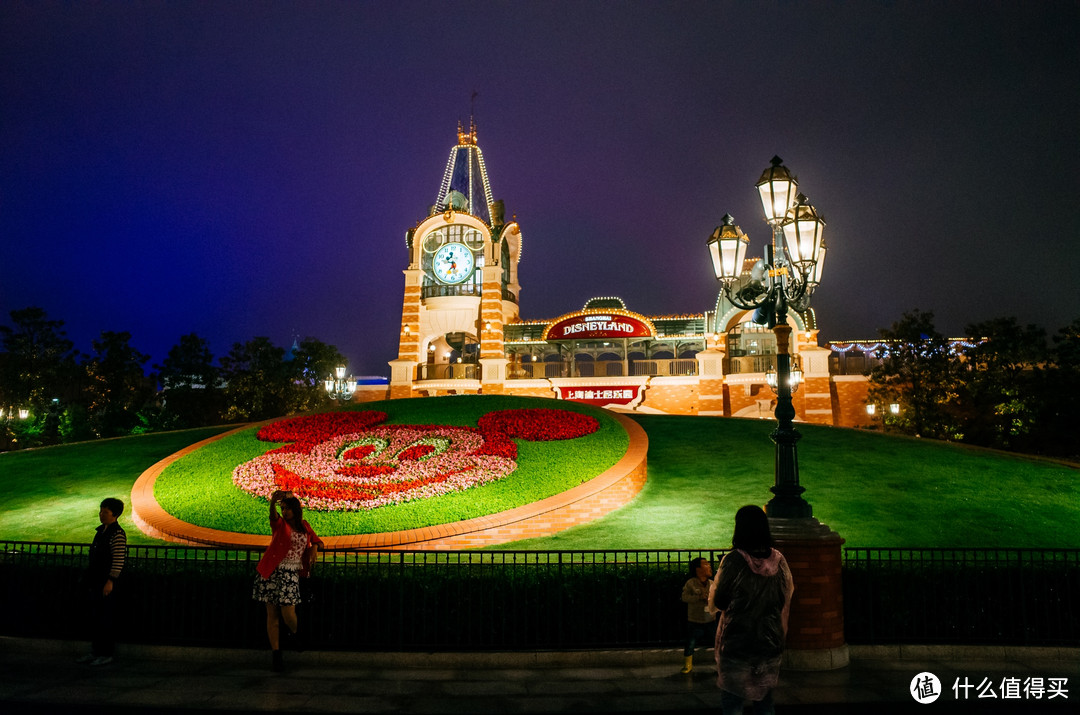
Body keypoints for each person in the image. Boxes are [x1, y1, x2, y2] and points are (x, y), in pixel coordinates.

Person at [708, 505, 794, 715]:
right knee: (765, 703)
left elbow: (720, 600)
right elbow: (784, 596)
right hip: (768, 641)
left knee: (732, 703)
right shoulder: (779, 561)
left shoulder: (734, 561)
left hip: (738, 641)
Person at [252, 489, 323, 671]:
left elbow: (318, 541)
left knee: (288, 613)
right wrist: (272, 503)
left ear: (296, 510)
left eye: (288, 508)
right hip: (272, 572)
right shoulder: (280, 524)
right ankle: (276, 656)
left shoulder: (304, 526)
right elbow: (273, 517)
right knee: (273, 615)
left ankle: (297, 636)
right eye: (283, 508)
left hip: (291, 574)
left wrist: (314, 547)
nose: (285, 512)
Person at [78, 497, 127, 666]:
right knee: (96, 616)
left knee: (105, 617)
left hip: (106, 582)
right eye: (101, 511)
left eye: (105, 512)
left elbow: (118, 559)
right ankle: (96, 651)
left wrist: (110, 581)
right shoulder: (101, 532)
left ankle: (106, 653)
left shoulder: (117, 534)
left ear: (115, 514)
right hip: (96, 580)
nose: (101, 514)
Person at [679, 556, 716, 674]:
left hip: (710, 619)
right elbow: (684, 597)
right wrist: (698, 597)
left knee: (717, 642)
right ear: (698, 569)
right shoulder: (691, 583)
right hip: (695, 620)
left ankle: (722, 664)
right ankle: (688, 664)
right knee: (690, 643)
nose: (709, 565)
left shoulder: (712, 583)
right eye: (705, 564)